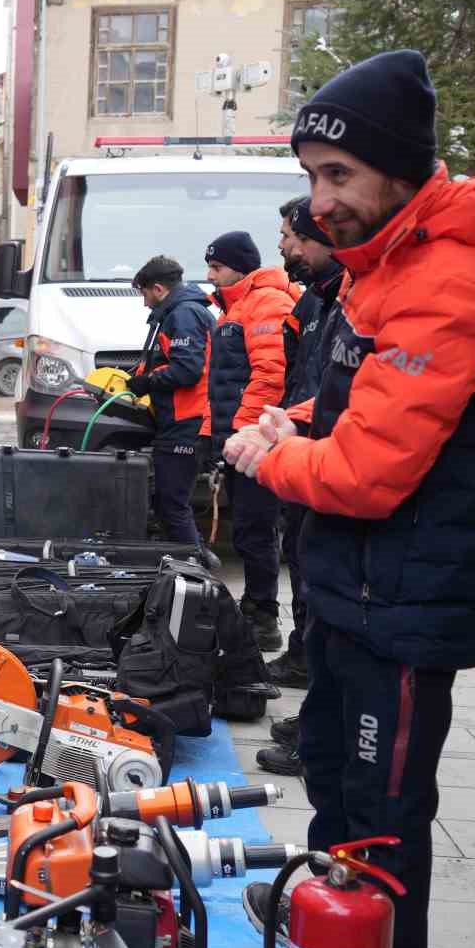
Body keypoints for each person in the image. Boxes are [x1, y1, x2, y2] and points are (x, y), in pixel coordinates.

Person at [226, 50, 475, 948]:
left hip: (401, 608)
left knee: (382, 824)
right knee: (332, 780)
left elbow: (370, 472)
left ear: (395, 168)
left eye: (336, 176)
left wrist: (264, 459)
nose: (318, 200)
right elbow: (356, 406)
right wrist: (294, 418)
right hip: (353, 593)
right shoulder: (384, 265)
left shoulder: (450, 279)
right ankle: (321, 929)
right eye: (307, 178)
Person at [255, 197, 347, 779]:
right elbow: (306, 380)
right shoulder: (319, 301)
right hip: (307, 451)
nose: (286, 247)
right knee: (306, 574)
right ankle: (317, 711)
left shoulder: (355, 300)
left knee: (325, 596)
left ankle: (324, 732)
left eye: (293, 236)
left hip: (329, 465)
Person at [199, 229, 294, 650]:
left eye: (216, 266)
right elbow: (216, 382)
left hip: (257, 441)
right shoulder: (231, 311)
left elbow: (271, 375)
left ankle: (264, 615)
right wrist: (211, 436)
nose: (210, 274)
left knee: (257, 529)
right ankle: (256, 607)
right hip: (238, 439)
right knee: (248, 530)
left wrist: (245, 432)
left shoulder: (267, 303)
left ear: (238, 266)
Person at [125, 255, 214, 547]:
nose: (145, 302)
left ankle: (196, 566)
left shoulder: (183, 315)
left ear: (159, 289)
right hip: (182, 420)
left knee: (172, 505)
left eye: (145, 293)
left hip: (186, 422)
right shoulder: (180, 312)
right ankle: (192, 561)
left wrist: (147, 383)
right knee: (171, 504)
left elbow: (187, 370)